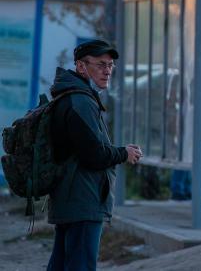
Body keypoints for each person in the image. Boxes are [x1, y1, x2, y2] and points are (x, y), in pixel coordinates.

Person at [47, 39, 143, 271]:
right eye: (100, 64)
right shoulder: (80, 101)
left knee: (62, 264)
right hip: (83, 197)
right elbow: (94, 154)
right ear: (81, 67)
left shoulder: (73, 95)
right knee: (80, 265)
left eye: (110, 65)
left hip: (72, 196)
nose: (107, 71)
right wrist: (123, 153)